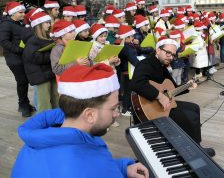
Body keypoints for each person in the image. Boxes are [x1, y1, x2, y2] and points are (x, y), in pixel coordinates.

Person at [12, 63, 149, 178]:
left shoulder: (36, 142)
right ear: (90, 115)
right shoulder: (85, 167)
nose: (116, 114)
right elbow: (91, 169)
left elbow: (95, 167)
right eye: (114, 108)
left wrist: (123, 168)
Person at [131, 37, 216, 157]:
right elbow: (137, 83)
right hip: (150, 108)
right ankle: (195, 150)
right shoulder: (145, 64)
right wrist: (160, 96)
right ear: (158, 50)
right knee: (189, 116)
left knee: (194, 108)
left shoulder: (162, 66)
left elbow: (171, 89)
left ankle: (194, 145)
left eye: (173, 55)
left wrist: (187, 87)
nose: (170, 57)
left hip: (160, 106)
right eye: (168, 53)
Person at [0, 2, 35, 117]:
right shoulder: (6, 24)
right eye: (20, 12)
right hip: (14, 59)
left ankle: (25, 104)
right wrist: (19, 50)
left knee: (24, 81)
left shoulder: (17, 23)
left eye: (23, 12)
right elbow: (4, 41)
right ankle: (23, 106)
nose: (23, 14)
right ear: (13, 13)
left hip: (21, 57)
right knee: (22, 81)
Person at [23, 12, 58, 112]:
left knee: (54, 96)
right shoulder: (32, 39)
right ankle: (44, 122)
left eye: (49, 22)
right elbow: (34, 57)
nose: (49, 25)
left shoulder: (46, 37)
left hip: (48, 72)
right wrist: (52, 55)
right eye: (46, 23)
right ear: (39, 25)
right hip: (40, 75)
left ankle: (55, 118)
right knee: (44, 100)